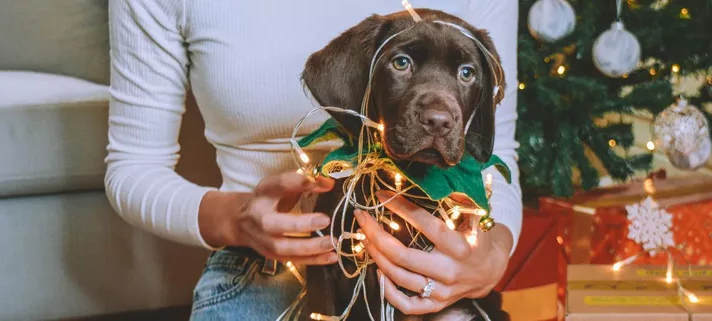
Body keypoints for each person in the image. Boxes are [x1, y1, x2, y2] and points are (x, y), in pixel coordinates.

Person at [105, 1, 521, 319]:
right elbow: (132, 167)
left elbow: (491, 152)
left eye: (465, 73)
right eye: (402, 63)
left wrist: (493, 254)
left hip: (446, 277)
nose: (437, 114)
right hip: (266, 271)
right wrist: (237, 218)